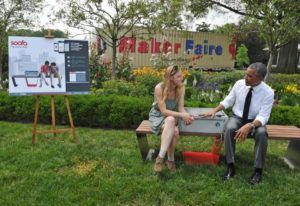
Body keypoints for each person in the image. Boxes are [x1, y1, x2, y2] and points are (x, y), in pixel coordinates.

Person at [203, 62, 274, 185]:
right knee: (229, 128)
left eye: (250, 76)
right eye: (246, 74)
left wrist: (250, 125)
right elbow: (228, 100)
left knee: (262, 133)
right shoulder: (239, 84)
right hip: (238, 117)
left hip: (256, 121)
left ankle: (258, 171)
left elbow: (263, 116)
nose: (245, 78)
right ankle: (230, 166)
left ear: (260, 79)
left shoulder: (268, 92)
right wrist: (215, 110)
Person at [149, 65, 194, 173]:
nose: (182, 78)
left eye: (181, 76)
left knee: (172, 124)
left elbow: (181, 108)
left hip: (173, 116)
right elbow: (164, 111)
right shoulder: (159, 88)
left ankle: (161, 159)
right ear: (171, 78)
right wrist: (182, 115)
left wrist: (186, 115)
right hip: (158, 116)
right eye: (179, 76)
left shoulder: (181, 87)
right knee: (173, 126)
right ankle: (169, 160)